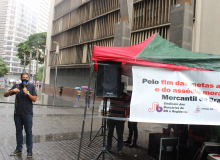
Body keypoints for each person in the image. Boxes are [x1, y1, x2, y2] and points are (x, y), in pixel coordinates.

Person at [4, 73, 37, 158]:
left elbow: (35, 99)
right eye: (23, 78)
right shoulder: (16, 86)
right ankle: (19, 149)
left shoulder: (31, 86)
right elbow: (5, 95)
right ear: (20, 78)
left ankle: (29, 150)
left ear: (28, 78)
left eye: (26, 78)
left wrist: (28, 93)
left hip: (28, 114)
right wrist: (12, 91)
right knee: (18, 132)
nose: (25, 79)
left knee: (28, 132)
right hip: (17, 114)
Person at [106, 82, 130, 155]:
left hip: (120, 118)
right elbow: (104, 98)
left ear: (123, 88)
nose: (119, 88)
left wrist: (125, 116)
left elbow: (127, 107)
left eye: (121, 87)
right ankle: (108, 147)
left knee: (120, 134)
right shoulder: (112, 94)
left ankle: (120, 149)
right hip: (111, 117)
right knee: (109, 133)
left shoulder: (126, 96)